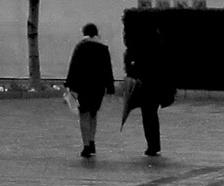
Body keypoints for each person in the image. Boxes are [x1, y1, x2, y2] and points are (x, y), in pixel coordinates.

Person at [64, 22, 115, 158]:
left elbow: (73, 66)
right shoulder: (103, 48)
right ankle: (92, 140)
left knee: (84, 114)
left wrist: (69, 85)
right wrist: (110, 87)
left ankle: (86, 145)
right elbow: (107, 68)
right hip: (98, 87)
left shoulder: (80, 47)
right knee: (93, 113)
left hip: (83, 85)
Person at [122, 23, 174, 157]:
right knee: (152, 115)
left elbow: (131, 67)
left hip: (145, 86)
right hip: (157, 87)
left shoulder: (139, 49)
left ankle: (152, 144)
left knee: (148, 115)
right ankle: (154, 144)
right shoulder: (161, 47)